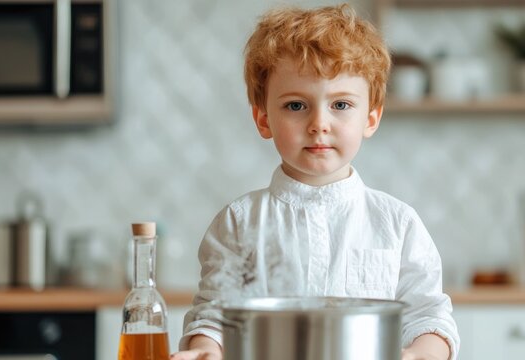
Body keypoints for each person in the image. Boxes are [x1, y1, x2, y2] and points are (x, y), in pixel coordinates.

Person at [171, 4, 459, 360]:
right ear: (263, 119)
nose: (319, 123)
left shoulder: (398, 224)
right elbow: (214, 318)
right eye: (296, 106)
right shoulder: (238, 223)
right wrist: (206, 352)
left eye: (340, 105)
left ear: (370, 118)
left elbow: (430, 320)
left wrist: (416, 355)